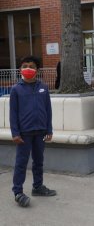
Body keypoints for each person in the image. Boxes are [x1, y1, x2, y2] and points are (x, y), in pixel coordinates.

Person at [9, 56, 56, 208]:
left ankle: (38, 187)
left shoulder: (44, 88)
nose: (28, 68)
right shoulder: (16, 89)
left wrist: (49, 129)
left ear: (37, 70)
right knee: (21, 163)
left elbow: (48, 110)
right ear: (20, 69)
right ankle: (18, 192)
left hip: (41, 132)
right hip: (24, 134)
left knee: (39, 161)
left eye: (31, 66)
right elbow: (13, 113)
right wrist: (15, 133)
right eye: (25, 66)